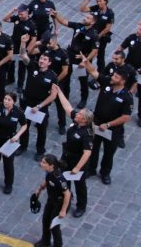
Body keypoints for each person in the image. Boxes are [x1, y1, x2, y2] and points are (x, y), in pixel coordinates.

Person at [79, 57, 132, 185]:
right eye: (113, 76)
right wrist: (87, 63)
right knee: (94, 148)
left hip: (112, 130)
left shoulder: (126, 97)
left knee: (108, 152)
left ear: (122, 81)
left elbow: (126, 117)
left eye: (116, 77)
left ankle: (105, 173)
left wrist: (108, 124)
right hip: (96, 123)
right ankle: (91, 169)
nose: (112, 78)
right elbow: (95, 73)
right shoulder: (108, 83)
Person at [54, 85, 93, 218]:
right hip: (66, 157)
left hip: (78, 161)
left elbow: (87, 153)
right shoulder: (77, 122)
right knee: (65, 180)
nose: (77, 114)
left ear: (84, 120)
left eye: (80, 114)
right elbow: (67, 108)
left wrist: (77, 168)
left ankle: (81, 206)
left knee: (80, 184)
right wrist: (59, 92)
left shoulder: (87, 134)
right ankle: (67, 200)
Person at [19, 44, 59, 160]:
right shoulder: (33, 66)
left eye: (45, 59)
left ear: (49, 63)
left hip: (40, 106)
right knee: (24, 125)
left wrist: (39, 106)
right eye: (41, 58)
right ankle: (23, 146)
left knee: (41, 130)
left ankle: (40, 150)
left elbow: (53, 96)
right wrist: (22, 43)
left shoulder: (52, 76)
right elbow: (23, 55)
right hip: (26, 102)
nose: (41, 61)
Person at [32, 155, 70, 247]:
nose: (41, 163)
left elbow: (67, 194)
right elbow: (47, 180)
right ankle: (45, 241)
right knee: (45, 220)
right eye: (42, 161)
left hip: (60, 203)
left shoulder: (60, 179)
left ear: (51, 165)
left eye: (44, 162)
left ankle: (58, 244)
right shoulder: (49, 173)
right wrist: (39, 189)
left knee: (54, 226)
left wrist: (63, 210)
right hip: (51, 200)